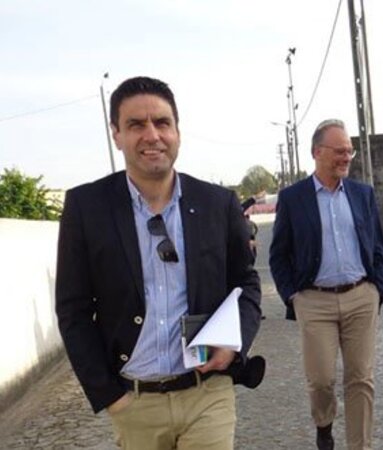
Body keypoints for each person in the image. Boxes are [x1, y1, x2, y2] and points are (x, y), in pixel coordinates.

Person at [55, 76, 263, 449]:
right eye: (136, 124)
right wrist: (109, 395)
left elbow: (246, 284)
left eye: (162, 123)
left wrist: (235, 344)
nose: (152, 135)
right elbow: (73, 309)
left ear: (177, 131)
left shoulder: (218, 203)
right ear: (116, 135)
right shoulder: (87, 207)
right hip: (135, 402)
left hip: (207, 394)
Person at [269, 119, 383, 450]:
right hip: (314, 300)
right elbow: (278, 254)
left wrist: (377, 289)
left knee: (361, 378)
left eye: (349, 151)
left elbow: (379, 247)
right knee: (321, 379)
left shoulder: (363, 194)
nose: (346, 157)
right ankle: (324, 425)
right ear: (317, 152)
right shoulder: (293, 198)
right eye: (339, 151)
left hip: (360, 296)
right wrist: (293, 296)